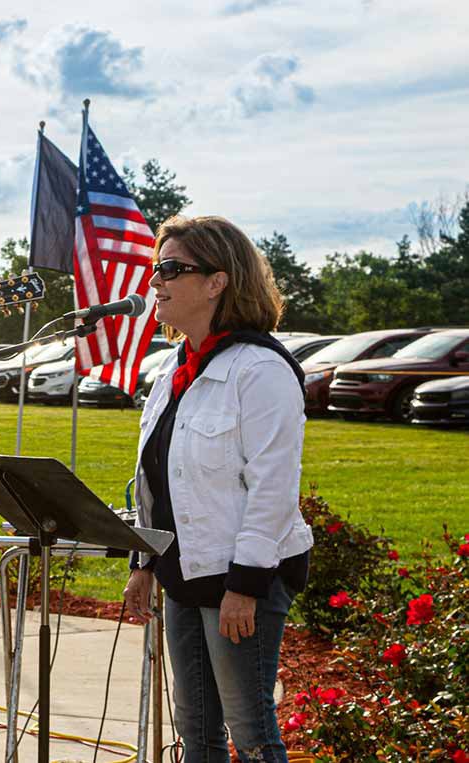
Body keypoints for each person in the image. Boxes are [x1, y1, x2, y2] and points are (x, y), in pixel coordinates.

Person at [122, 215, 313, 763]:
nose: (155, 281)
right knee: (195, 725)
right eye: (155, 268)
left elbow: (273, 488)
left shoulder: (261, 369)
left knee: (250, 731)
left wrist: (246, 586)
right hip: (184, 572)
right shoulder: (174, 369)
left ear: (217, 281)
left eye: (171, 269)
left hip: (241, 577)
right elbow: (155, 477)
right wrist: (144, 561)